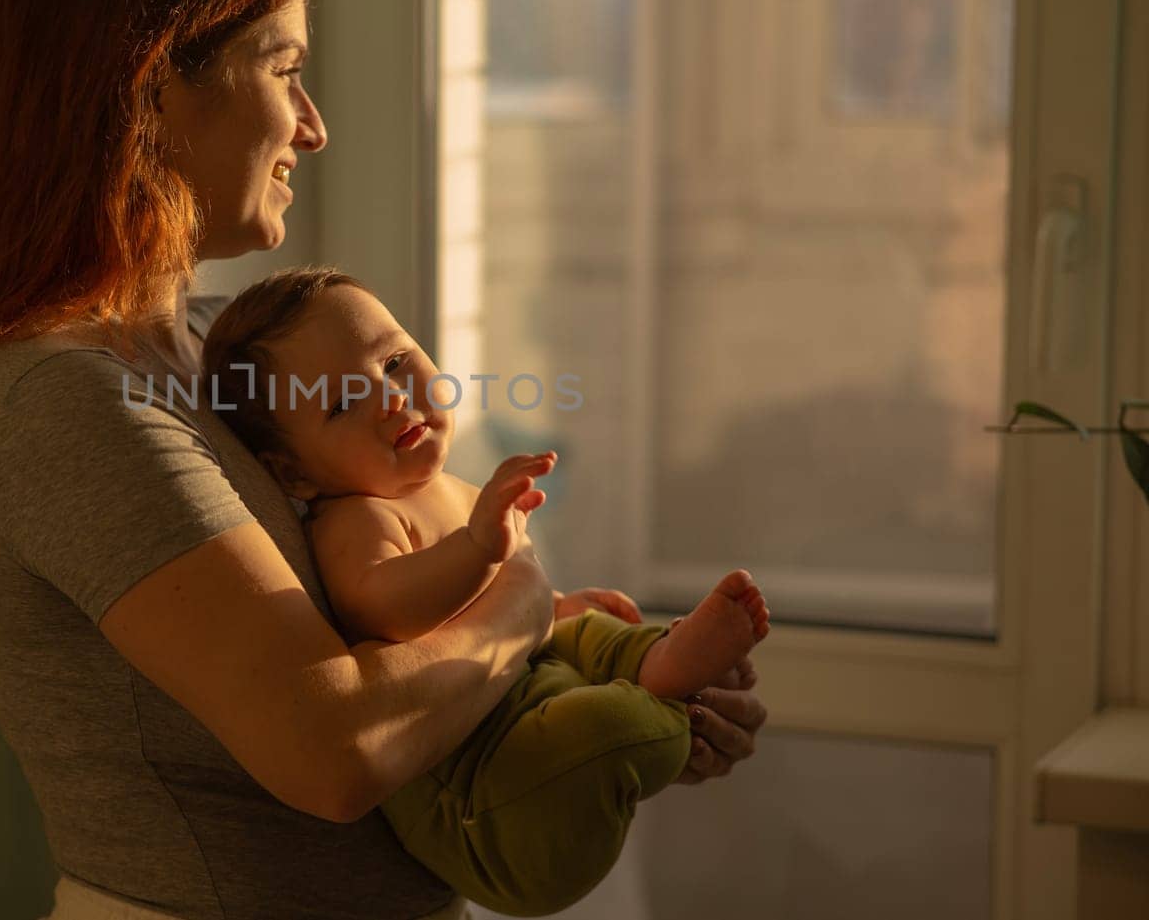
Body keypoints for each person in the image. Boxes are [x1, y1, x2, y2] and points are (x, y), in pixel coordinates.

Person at [0, 0, 768, 920]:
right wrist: (519, 603)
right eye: (284, 71)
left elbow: (391, 660)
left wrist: (623, 694)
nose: (315, 126)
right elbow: (333, 750)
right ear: (152, 88)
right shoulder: (66, 405)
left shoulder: (216, 354)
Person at [198, 267, 770, 916]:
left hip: (522, 675)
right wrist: (477, 548)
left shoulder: (436, 484)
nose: (389, 398)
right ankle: (642, 698)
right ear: (294, 472)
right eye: (340, 403)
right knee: (602, 717)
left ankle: (660, 661)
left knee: (592, 629)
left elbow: (507, 604)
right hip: (487, 760)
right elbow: (381, 604)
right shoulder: (355, 517)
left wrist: (557, 608)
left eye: (393, 360)